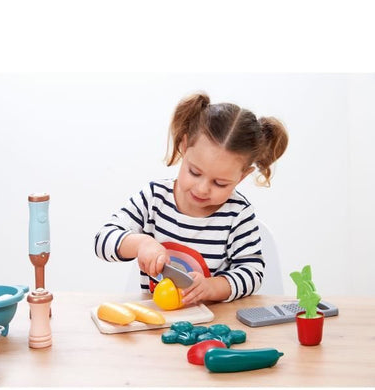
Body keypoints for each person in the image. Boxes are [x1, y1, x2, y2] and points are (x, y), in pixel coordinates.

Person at [94, 92, 288, 305]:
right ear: (184, 147)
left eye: (220, 183)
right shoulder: (154, 198)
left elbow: (252, 273)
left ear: (242, 176)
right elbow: (103, 239)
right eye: (194, 172)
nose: (202, 189)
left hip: (213, 321)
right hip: (159, 319)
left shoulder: (238, 213)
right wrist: (140, 244)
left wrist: (213, 287)